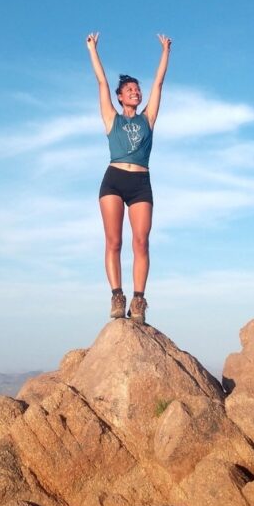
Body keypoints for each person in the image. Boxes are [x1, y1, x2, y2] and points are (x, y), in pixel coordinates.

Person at [86, 32, 171, 324]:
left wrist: (165, 51)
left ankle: (138, 300)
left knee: (141, 242)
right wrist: (92, 50)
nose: (136, 91)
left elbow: (159, 83)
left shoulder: (148, 119)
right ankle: (117, 295)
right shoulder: (112, 117)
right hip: (114, 179)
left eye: (137, 89)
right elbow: (102, 82)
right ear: (120, 97)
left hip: (140, 184)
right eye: (130, 90)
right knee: (113, 241)